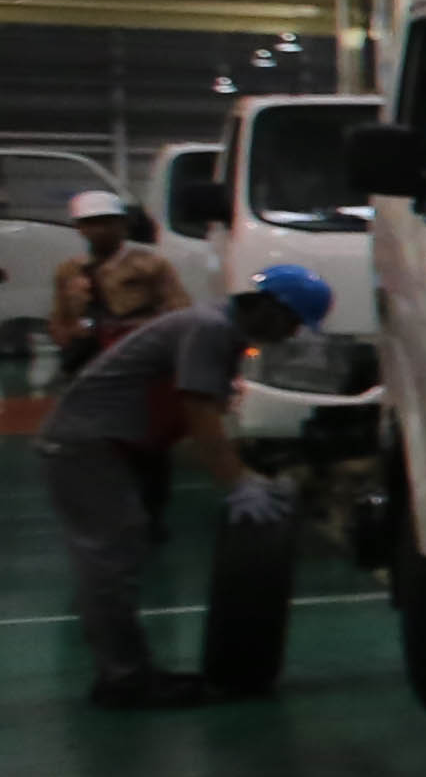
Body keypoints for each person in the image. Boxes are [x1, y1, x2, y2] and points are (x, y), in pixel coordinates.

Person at [42, 263, 319, 711]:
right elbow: (199, 415)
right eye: (292, 322)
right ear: (270, 309)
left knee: (120, 551)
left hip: (105, 444)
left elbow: (194, 428)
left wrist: (247, 476)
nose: (290, 335)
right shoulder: (208, 329)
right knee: (110, 557)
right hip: (85, 445)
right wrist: (237, 482)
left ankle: (128, 673)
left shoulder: (216, 329)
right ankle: (124, 681)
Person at [47, 186, 178, 373]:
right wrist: (74, 334)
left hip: (140, 353)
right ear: (80, 229)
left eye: (107, 222)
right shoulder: (69, 270)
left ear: (123, 225)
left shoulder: (150, 265)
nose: (100, 230)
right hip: (90, 360)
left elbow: (178, 310)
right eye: (91, 223)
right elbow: (60, 319)